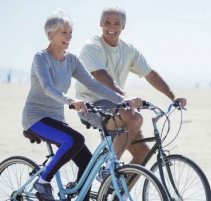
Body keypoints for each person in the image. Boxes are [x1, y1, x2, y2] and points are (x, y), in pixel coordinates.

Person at [22, 9, 135, 201]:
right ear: (51, 35)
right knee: (75, 139)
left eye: (70, 32)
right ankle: (42, 181)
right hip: (36, 118)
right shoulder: (41, 58)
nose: (68, 36)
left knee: (87, 163)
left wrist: (121, 99)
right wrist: (71, 100)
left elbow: (92, 84)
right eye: (63, 32)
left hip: (56, 119)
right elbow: (48, 87)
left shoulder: (72, 60)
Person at [75, 5, 187, 182]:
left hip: (116, 104)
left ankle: (115, 194)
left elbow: (150, 74)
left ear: (123, 26)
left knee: (143, 153)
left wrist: (173, 97)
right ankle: (108, 168)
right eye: (107, 22)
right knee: (135, 118)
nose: (111, 27)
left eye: (116, 23)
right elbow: (101, 76)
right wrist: (124, 97)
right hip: (92, 104)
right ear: (100, 23)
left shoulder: (128, 50)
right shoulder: (92, 46)